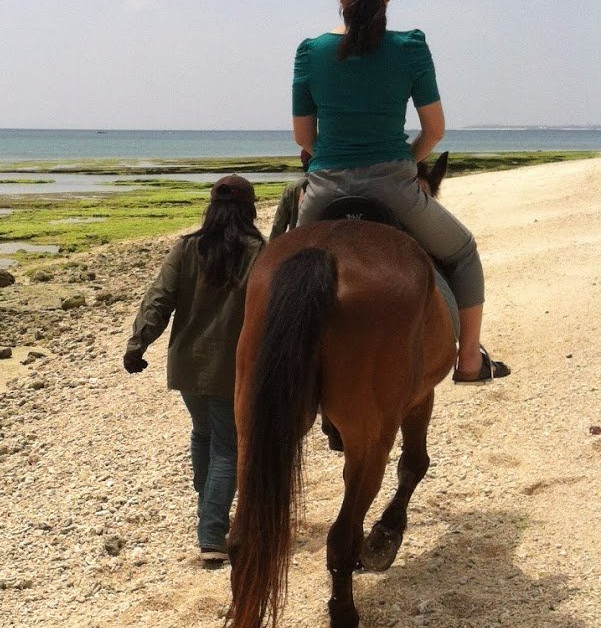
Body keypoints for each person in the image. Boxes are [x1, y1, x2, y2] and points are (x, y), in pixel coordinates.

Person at [292, 0, 509, 383]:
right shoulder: (410, 47)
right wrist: (405, 161)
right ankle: (471, 362)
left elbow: (303, 138)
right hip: (395, 190)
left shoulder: (310, 52)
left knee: (282, 272)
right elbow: (434, 132)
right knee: (462, 253)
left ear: (340, 3)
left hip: (324, 191)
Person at [123, 175, 264, 567]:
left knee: (204, 434)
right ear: (249, 209)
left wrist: (138, 344)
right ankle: (212, 535)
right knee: (227, 446)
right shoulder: (258, 252)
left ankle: (209, 513)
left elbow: (159, 298)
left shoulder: (186, 248)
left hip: (186, 364)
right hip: (231, 368)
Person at [268, 149, 311, 241]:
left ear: (303, 163)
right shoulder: (333, 184)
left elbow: (278, 226)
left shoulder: (292, 188)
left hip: (296, 242)